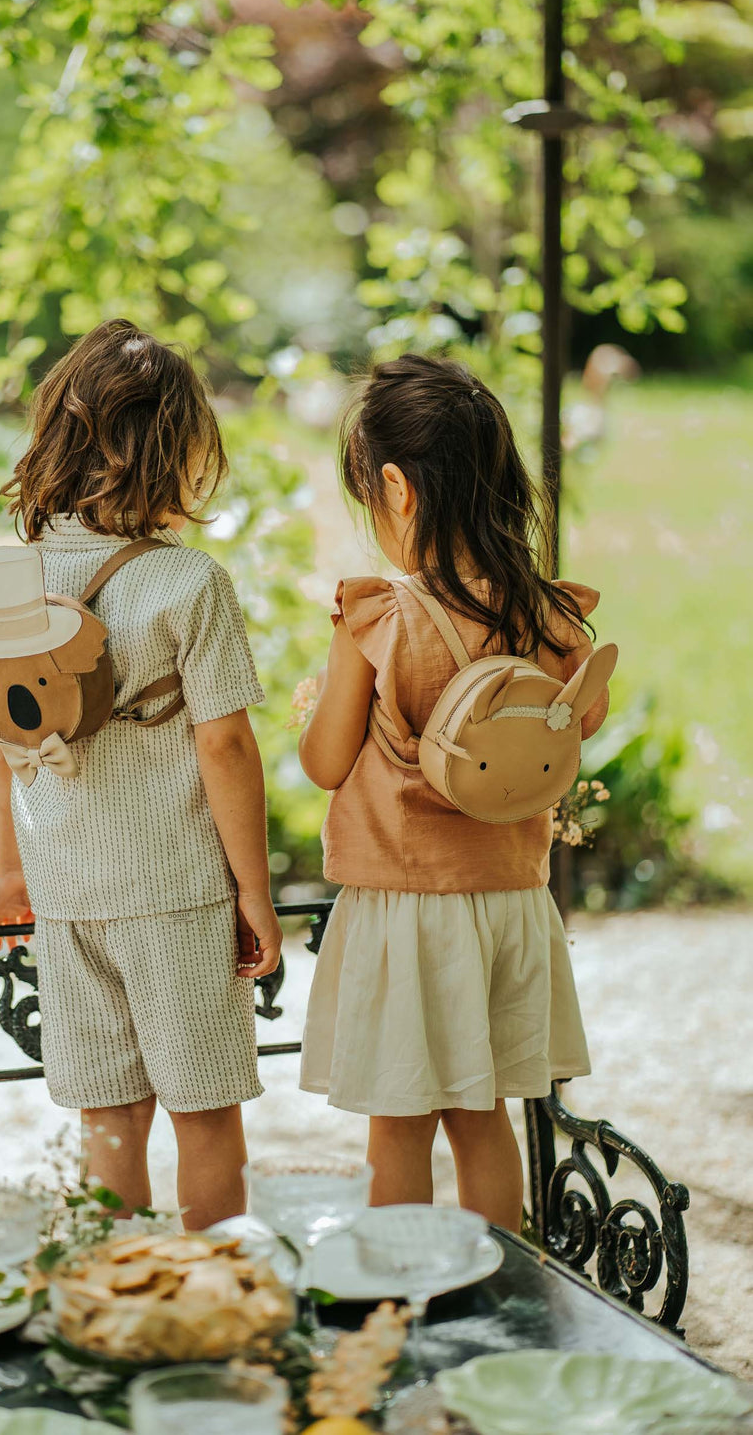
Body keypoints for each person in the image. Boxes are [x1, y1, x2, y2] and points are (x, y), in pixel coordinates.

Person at [0, 318, 282, 1230]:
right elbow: (224, 747)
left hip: (69, 897)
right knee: (204, 1113)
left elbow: (8, 738)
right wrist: (255, 892)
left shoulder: (13, 582)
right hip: (177, 895)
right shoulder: (190, 585)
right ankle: (213, 1292)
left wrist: (11, 873)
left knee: (108, 1115)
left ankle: (118, 1295)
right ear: (174, 452)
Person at [298, 354, 607, 1231]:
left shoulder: (381, 619)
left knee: (399, 1127)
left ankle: (403, 1300)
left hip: (406, 908)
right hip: (510, 900)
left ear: (397, 488)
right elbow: (580, 723)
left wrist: (323, 708)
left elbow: (325, 763)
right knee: (483, 1118)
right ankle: (500, 1296)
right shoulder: (551, 614)